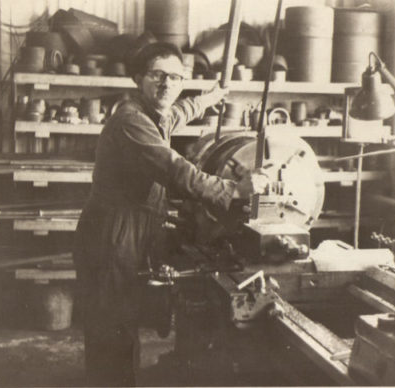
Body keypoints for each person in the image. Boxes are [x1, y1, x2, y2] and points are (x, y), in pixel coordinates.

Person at [73, 42, 269, 386]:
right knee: (112, 328)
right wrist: (234, 190)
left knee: (122, 323)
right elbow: (175, 169)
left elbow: (177, 113)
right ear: (138, 78)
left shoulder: (153, 114)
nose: (166, 85)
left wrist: (208, 99)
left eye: (175, 78)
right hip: (113, 236)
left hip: (130, 231)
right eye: (157, 76)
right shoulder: (131, 121)